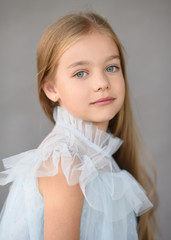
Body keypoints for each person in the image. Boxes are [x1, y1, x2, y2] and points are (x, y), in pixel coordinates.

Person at [0, 11, 157, 240]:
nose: (102, 83)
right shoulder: (64, 165)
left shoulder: (100, 157)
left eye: (111, 67)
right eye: (81, 73)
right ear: (52, 89)